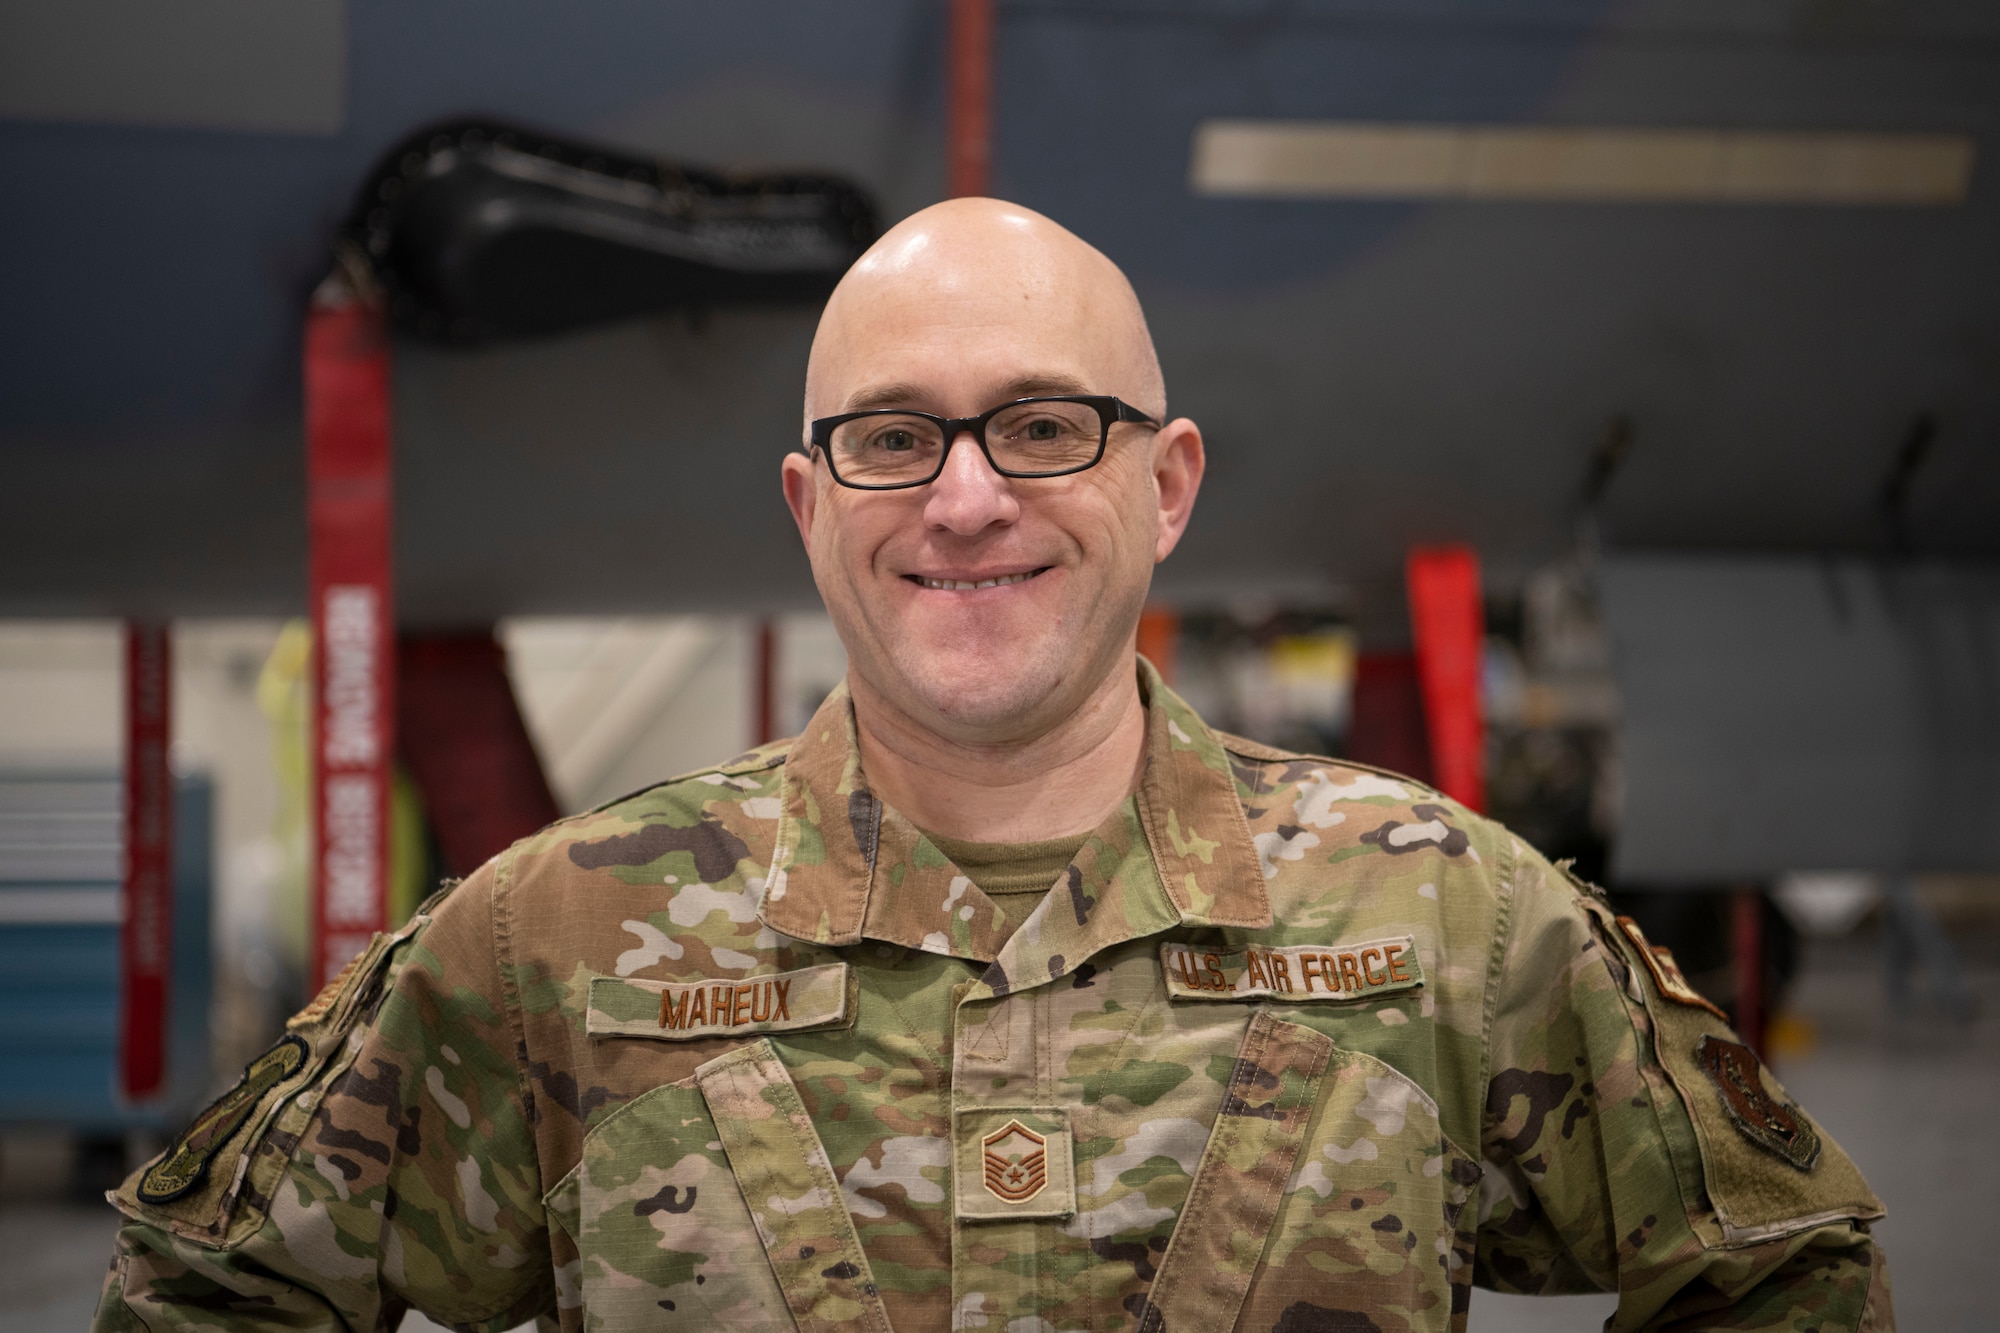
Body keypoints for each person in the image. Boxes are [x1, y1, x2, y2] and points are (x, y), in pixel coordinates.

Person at [94, 199, 1891, 1332]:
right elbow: (209, 1284)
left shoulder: (1438, 912)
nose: (967, 497)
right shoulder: (561, 939)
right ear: (812, 508)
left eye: (1043, 425)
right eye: (895, 438)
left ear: (1167, 484)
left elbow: (1789, 1256)